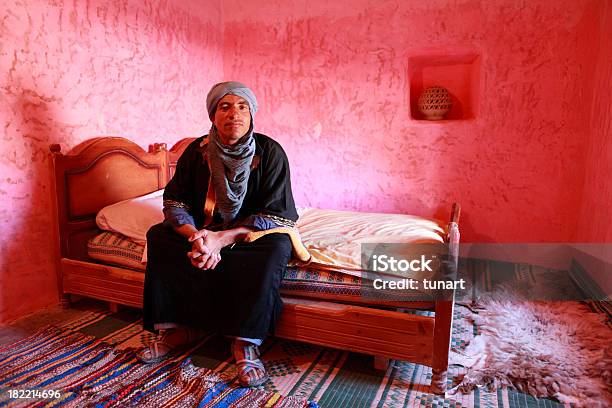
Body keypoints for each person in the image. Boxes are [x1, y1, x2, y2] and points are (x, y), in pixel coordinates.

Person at [139, 81, 299, 388]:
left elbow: (276, 214)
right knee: (159, 236)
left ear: (252, 115)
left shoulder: (270, 152)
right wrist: (197, 237)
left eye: (242, 107)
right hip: (203, 232)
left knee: (277, 246)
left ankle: (244, 342)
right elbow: (175, 202)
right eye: (225, 107)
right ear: (213, 115)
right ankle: (178, 329)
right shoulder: (195, 152)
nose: (234, 114)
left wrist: (221, 240)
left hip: (248, 233)